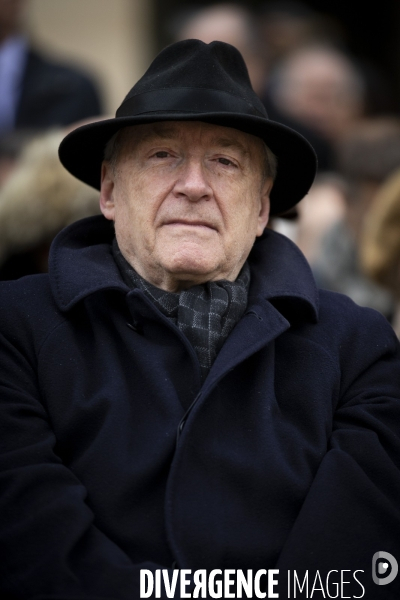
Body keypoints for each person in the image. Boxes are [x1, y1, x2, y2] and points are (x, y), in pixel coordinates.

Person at [0, 39, 399, 599]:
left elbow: (357, 563)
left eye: (225, 161)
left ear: (262, 207)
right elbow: (31, 541)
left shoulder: (359, 346)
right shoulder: (15, 325)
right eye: (162, 155)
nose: (193, 185)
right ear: (110, 190)